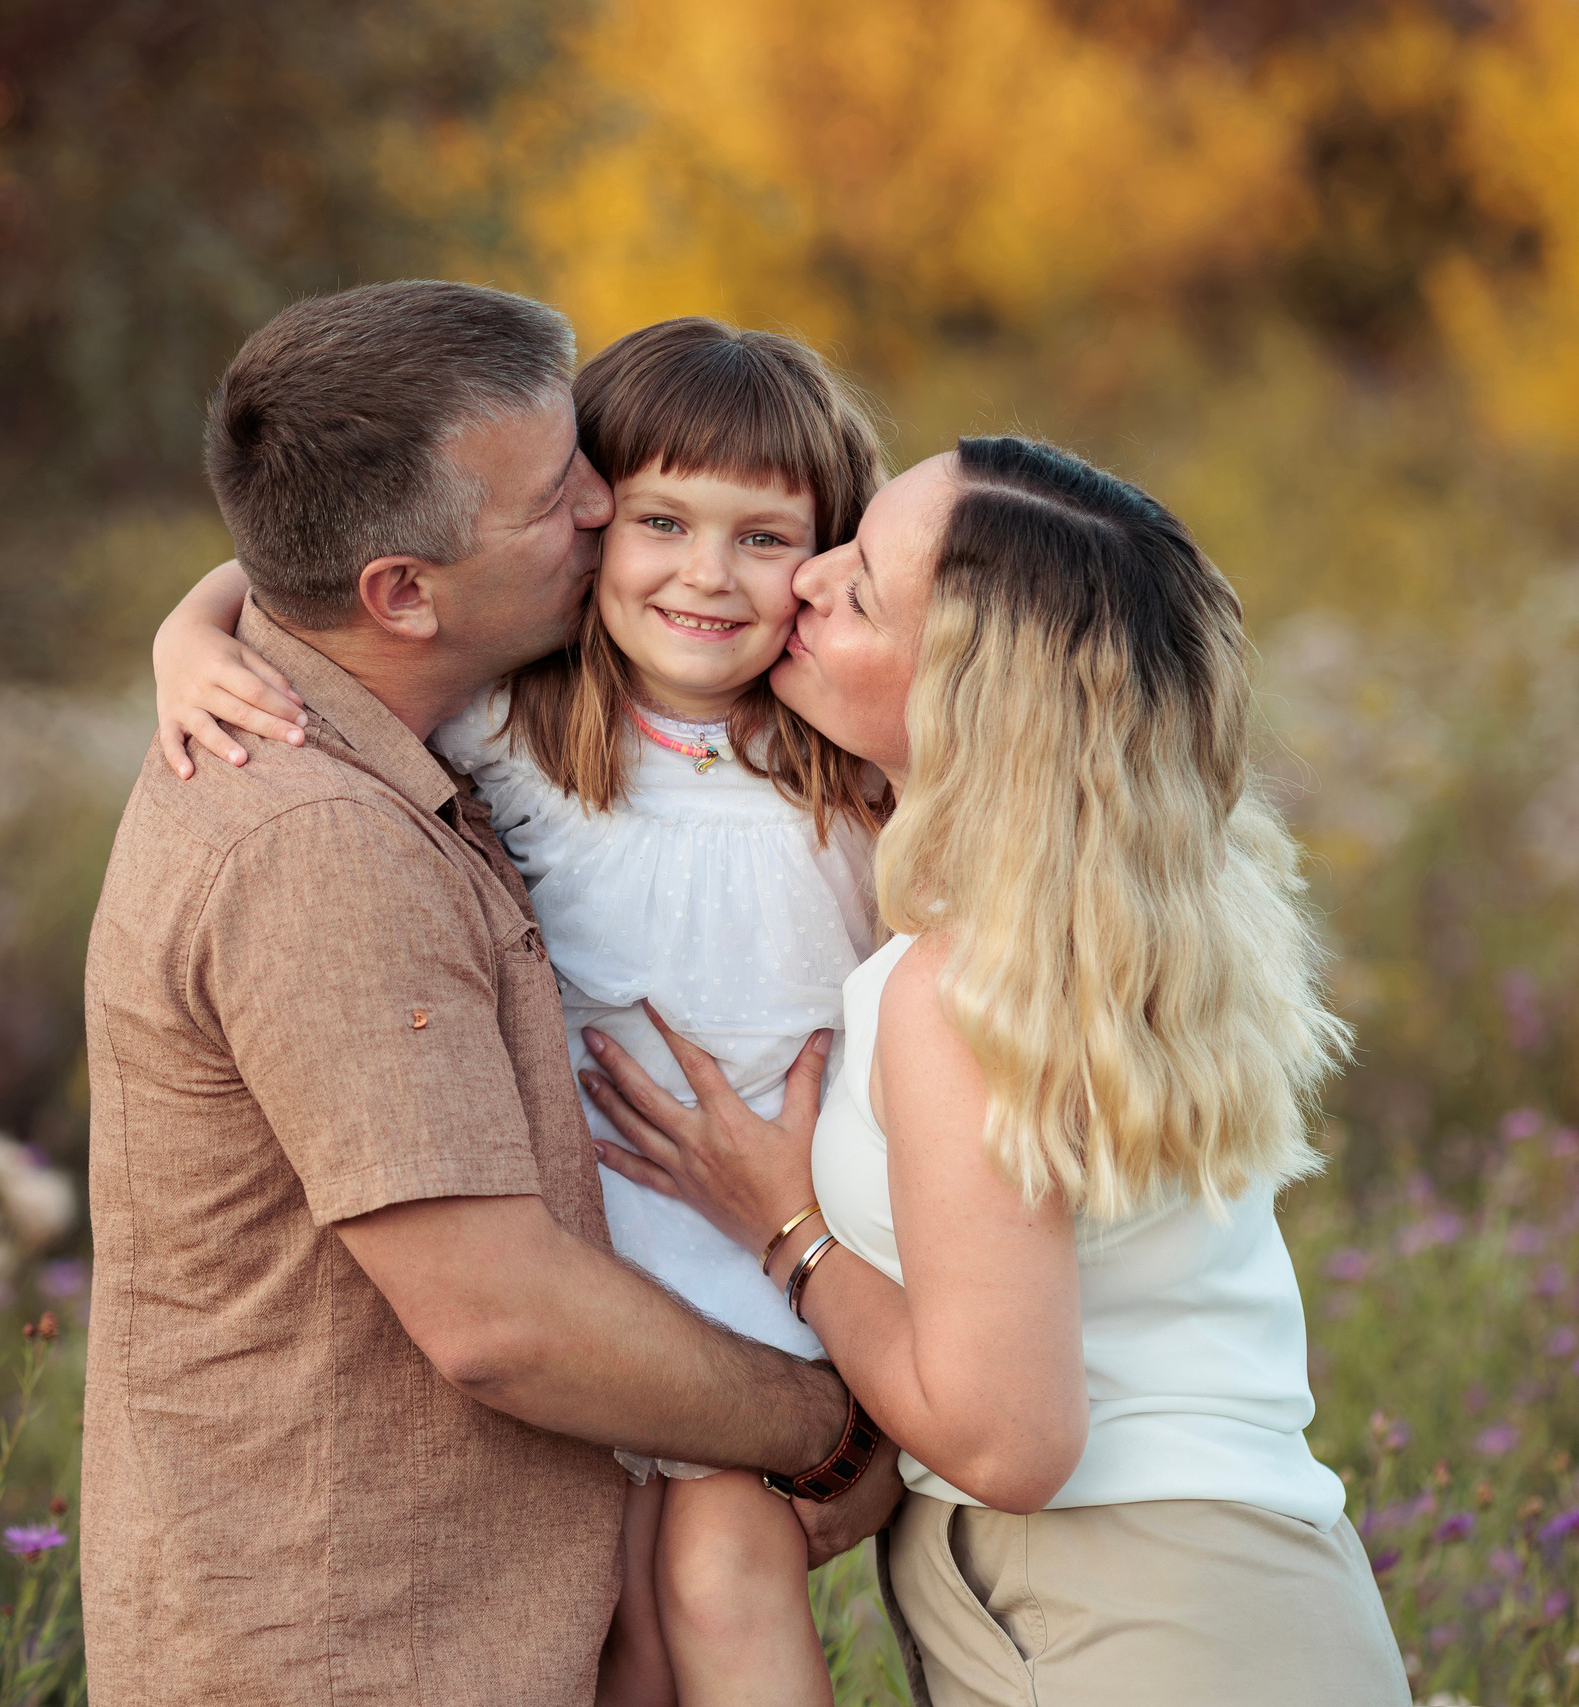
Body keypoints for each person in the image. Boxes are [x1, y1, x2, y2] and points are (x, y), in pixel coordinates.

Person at [82, 280, 898, 1707]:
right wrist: (839, 1422)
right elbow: (501, 1318)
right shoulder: (321, 838)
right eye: (565, 499)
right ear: (403, 590)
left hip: (484, 1584)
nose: (602, 511)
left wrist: (199, 614)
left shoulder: (402, 726)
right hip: (353, 1640)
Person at [577, 438, 1413, 1704]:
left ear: (970, 702)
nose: (802, 580)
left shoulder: (961, 991)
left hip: (1125, 1619)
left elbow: (1009, 1441)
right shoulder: (1116, 906)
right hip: (1252, 1597)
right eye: (846, 541)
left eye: (856, 589)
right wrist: (209, 629)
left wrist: (785, 1232)